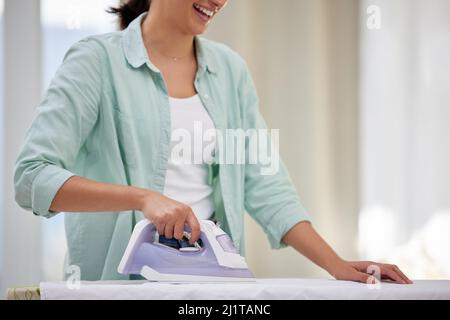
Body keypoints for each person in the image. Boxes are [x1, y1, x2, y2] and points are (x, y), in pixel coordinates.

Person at [14, 0, 412, 284]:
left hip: (210, 290)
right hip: (119, 285)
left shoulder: (230, 72)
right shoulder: (96, 63)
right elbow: (31, 178)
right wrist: (142, 199)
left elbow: (266, 185)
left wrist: (336, 264)